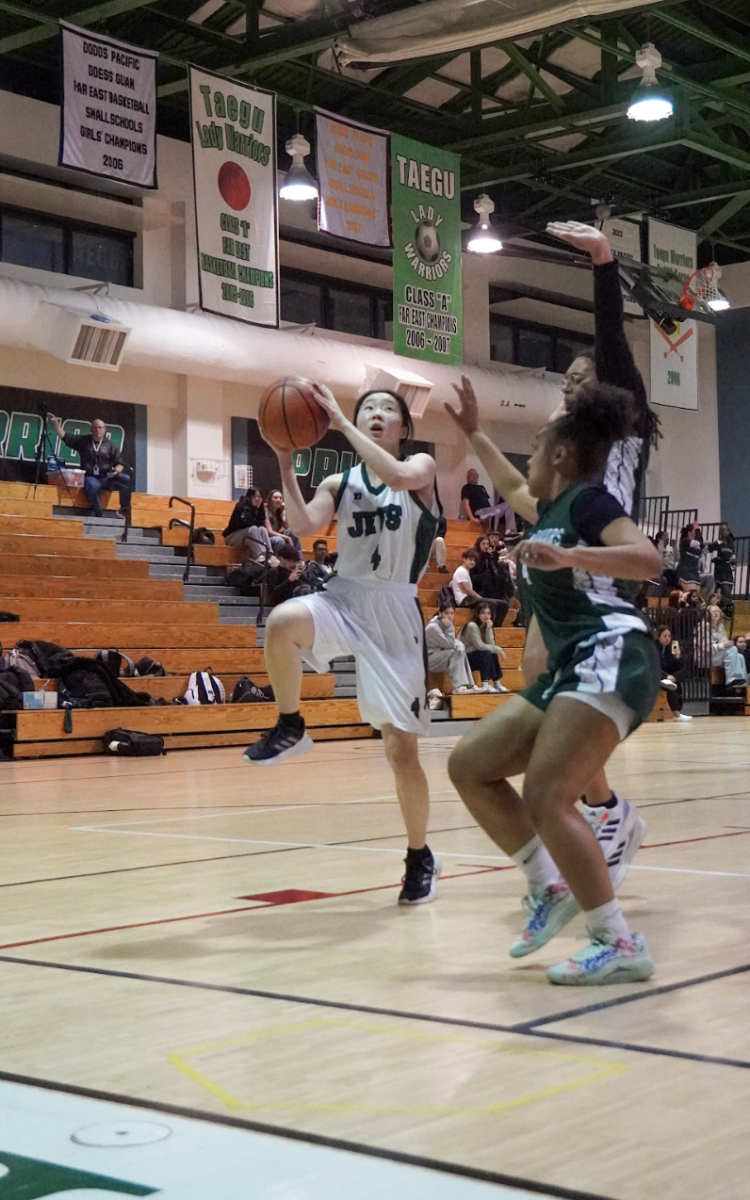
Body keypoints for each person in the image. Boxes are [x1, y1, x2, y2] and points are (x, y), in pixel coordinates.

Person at [445, 374, 661, 985]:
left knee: (546, 794)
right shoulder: (549, 509)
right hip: (576, 664)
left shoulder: (591, 504)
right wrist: (472, 432)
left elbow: (648, 559)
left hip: (614, 649)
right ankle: (549, 884)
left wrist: (571, 558)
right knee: (470, 764)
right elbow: (511, 483)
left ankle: (617, 942)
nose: (527, 460)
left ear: (561, 455)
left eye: (536, 448)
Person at [245, 386, 444, 906]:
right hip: (347, 597)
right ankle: (291, 723)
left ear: (403, 428)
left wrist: (340, 420)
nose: (376, 415)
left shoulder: (420, 467)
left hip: (397, 612)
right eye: (366, 410)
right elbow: (304, 523)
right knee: (284, 621)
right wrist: (285, 464)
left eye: (387, 411)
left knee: (401, 751)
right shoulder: (342, 479)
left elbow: (398, 476)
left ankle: (420, 855)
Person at [515, 218, 661, 876]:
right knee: (540, 676)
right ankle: (603, 809)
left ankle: (601, 814)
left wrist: (602, 261)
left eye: (583, 378)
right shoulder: (567, 445)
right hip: (565, 558)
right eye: (568, 380)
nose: (573, 386)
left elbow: (612, 341)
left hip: (608, 562)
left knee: (556, 675)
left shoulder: (624, 421)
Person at [49, 415, 131, 519]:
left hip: (107, 477)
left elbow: (120, 463)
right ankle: (98, 513)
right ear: (91, 429)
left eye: (100, 427)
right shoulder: (83, 441)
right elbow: (64, 436)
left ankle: (124, 509)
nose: (98, 430)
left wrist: (116, 470)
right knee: (92, 485)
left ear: (104, 429)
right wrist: (56, 424)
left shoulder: (111, 445)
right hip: (91, 476)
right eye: (95, 427)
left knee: (125, 479)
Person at [425, 602, 477, 694]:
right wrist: (450, 627)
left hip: (439, 656)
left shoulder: (443, 625)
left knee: (461, 652)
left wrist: (460, 647)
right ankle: (458, 687)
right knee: (454, 652)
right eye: (446, 613)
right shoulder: (433, 627)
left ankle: (471, 685)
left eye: (452, 613)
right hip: (429, 659)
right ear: (440, 613)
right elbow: (449, 644)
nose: (449, 616)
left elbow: (455, 642)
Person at [459, 603, 509, 693]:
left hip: (476, 655)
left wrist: (489, 629)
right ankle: (485, 684)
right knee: (485, 652)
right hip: (464, 659)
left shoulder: (485, 626)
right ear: (477, 614)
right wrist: (499, 649)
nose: (486, 616)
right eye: (483, 613)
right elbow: (480, 646)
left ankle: (497, 683)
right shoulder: (472, 626)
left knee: (491, 652)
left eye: (488, 613)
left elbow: (490, 644)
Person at [223, 486, 276, 562]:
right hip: (232, 537)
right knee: (253, 528)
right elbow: (245, 523)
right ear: (249, 497)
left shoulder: (260, 509)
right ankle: (261, 554)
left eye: (259, 497)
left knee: (263, 529)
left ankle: (270, 555)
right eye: (254, 496)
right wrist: (254, 511)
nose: (257, 499)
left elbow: (260, 524)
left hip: (248, 536)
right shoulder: (241, 506)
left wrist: (257, 510)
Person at [656, 625, 692, 722]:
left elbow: (679, 667)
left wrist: (678, 658)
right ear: (659, 636)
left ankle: (678, 711)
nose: (668, 638)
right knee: (671, 686)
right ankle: (676, 714)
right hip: (654, 676)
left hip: (666, 678)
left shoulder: (669, 649)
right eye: (665, 636)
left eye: (669, 636)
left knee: (676, 681)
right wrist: (666, 676)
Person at [709, 604, 748, 687]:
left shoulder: (721, 626)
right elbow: (706, 648)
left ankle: (743, 683)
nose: (716, 613)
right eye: (713, 612)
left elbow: (724, 641)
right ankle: (732, 680)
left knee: (740, 656)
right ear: (708, 614)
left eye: (717, 611)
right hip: (707, 656)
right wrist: (723, 645)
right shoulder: (704, 627)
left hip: (718, 655)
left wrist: (727, 643)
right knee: (733, 649)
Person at [677, 523, 716, 597]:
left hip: (695, 574)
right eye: (696, 531)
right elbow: (697, 543)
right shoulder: (685, 541)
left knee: (694, 598)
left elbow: (706, 549)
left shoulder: (698, 545)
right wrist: (701, 540)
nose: (698, 534)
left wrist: (715, 545)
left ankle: (708, 599)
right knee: (690, 597)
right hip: (686, 573)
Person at [266, 488, 302, 559]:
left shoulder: (279, 512)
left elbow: (287, 527)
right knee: (279, 540)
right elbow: (269, 531)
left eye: (280, 498)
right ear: (270, 500)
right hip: (267, 537)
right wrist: (286, 537)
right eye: (276, 498)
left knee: (293, 532)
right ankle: (279, 561)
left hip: (276, 535)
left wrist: (286, 510)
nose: (279, 500)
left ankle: (298, 559)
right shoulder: (265, 511)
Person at [708, 524, 736, 598]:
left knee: (727, 593)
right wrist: (725, 560)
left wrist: (733, 564)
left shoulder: (731, 544)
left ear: (729, 532)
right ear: (719, 532)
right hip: (720, 571)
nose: (724, 532)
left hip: (728, 572)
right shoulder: (716, 543)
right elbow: (714, 558)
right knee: (725, 591)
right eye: (722, 530)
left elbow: (732, 555)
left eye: (726, 530)